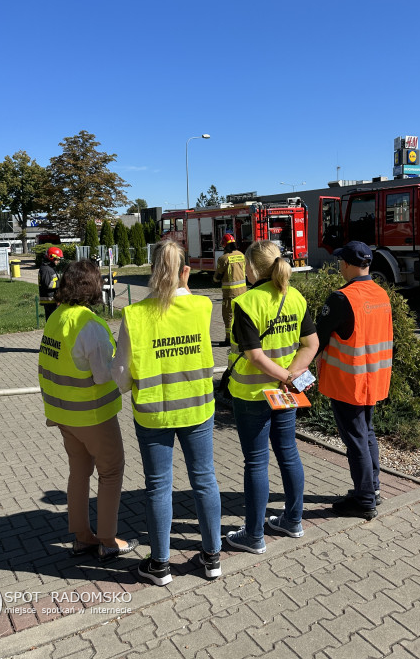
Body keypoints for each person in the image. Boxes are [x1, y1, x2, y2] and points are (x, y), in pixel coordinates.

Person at [113, 240, 222, 585]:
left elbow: (120, 375)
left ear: (151, 271)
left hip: (153, 414)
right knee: (204, 479)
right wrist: (185, 287)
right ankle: (212, 557)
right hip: (197, 409)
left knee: (158, 487)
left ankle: (160, 565)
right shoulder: (202, 307)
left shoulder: (135, 315)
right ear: (183, 270)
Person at [38, 259, 137, 563]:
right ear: (93, 288)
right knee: (111, 471)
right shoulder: (90, 325)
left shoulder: (57, 318)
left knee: (78, 473)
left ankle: (82, 537)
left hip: (63, 415)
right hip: (93, 415)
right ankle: (108, 540)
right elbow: (103, 375)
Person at [225, 240, 319, 554]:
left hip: (253, 394)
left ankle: (253, 536)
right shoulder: (295, 296)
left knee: (256, 462)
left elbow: (253, 355)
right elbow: (311, 345)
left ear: (251, 268)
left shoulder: (247, 302)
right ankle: (293, 520)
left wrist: (284, 376)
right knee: (289, 454)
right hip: (286, 394)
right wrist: (291, 377)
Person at [316, 241, 393, 521]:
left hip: (348, 381)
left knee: (356, 439)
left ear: (347, 264)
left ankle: (364, 499)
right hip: (374, 378)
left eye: (340, 262)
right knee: (367, 433)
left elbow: (318, 337)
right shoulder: (380, 294)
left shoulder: (341, 298)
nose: (339, 266)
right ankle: (371, 488)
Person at [213, 233, 247, 346]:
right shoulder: (241, 255)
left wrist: (215, 278)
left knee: (228, 316)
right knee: (241, 315)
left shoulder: (223, 259)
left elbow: (217, 277)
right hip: (243, 292)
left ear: (224, 245)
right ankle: (242, 337)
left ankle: (228, 339)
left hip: (230, 293)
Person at [39, 246, 64, 320]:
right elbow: (48, 284)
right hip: (50, 300)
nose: (58, 261)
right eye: (57, 259)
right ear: (51, 257)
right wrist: (61, 283)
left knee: (52, 321)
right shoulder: (47, 270)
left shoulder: (48, 268)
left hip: (51, 300)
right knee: (53, 321)